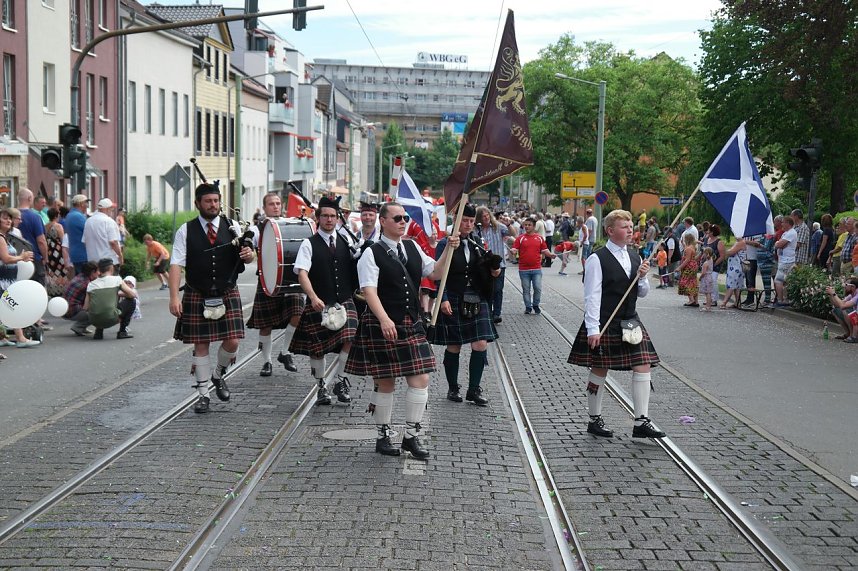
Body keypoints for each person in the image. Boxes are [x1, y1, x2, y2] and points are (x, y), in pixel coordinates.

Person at [345, 202, 458, 458]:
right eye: (397, 218)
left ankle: (411, 436)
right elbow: (368, 291)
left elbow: (436, 272)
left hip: (410, 322)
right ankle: (383, 436)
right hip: (382, 322)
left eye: (405, 217)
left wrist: (448, 251)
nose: (403, 222)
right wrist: (384, 319)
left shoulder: (412, 247)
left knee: (421, 379)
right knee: (385, 382)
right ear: (383, 221)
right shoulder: (371, 253)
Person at [567, 209, 664, 439]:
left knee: (643, 365)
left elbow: (642, 293)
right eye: (624, 227)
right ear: (610, 231)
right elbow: (592, 296)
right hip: (605, 321)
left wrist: (643, 277)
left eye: (631, 226)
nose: (630, 230)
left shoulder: (636, 257)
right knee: (600, 368)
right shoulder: (596, 259)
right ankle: (594, 419)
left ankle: (641, 421)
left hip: (630, 320)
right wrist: (593, 329)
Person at [169, 183, 255, 414]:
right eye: (208, 201)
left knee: (233, 341)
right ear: (197, 203)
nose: (213, 205)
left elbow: (248, 256)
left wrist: (249, 254)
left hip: (227, 291)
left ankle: (218, 374)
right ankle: (203, 395)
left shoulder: (233, 226)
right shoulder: (186, 230)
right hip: (197, 292)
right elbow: (176, 264)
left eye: (216, 201)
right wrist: (174, 297)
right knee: (201, 344)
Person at [290, 196, 359, 406]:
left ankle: (340, 380)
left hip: (344, 300)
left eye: (333, 216)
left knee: (351, 337)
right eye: (325, 216)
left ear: (338, 218)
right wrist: (312, 297)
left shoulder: (346, 241)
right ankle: (321, 386)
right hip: (319, 302)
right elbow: (302, 273)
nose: (329, 220)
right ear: (318, 218)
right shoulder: (308, 244)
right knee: (318, 349)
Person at [431, 203, 500, 406]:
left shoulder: (476, 242)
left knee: (480, 344)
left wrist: (494, 270)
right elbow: (438, 273)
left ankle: (473, 389)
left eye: (471, 221)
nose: (468, 224)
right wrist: (442, 298)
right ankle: (453, 387)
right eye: (465, 220)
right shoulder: (445, 244)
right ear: (456, 220)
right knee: (454, 345)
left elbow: (484, 271)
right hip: (453, 295)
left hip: (476, 296)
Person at [246, 192, 303, 378]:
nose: (276, 206)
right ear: (264, 208)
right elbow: (249, 248)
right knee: (266, 325)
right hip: (268, 281)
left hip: (290, 280)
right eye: (271, 204)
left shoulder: (290, 225)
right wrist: (248, 251)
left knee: (298, 315)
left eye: (278, 203)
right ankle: (267, 361)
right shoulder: (257, 229)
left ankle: (285, 352)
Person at [0, 208, 40, 348]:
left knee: (7, 308)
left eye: (10, 218)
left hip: (7, 279)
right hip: (3, 280)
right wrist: (21, 257)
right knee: (12, 308)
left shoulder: (4, 237)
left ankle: (3, 337)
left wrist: (20, 258)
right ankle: (21, 339)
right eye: (5, 218)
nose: (8, 221)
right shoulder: (0, 238)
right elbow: (5, 259)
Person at [475, 206, 516, 323]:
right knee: (486, 289)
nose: (486, 217)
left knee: (497, 289)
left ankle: (496, 313)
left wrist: (508, 224)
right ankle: (487, 311)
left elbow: (513, 233)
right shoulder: (476, 230)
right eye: (483, 216)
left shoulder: (498, 227)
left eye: (487, 215)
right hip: (483, 264)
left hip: (499, 264)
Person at [510, 217, 556, 314]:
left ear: (534, 226)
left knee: (537, 288)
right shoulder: (520, 238)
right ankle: (528, 307)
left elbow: (545, 250)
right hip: (523, 269)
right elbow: (515, 249)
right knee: (526, 289)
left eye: (529, 225)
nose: (526, 226)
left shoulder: (539, 238)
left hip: (536, 269)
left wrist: (550, 255)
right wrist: (513, 251)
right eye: (525, 225)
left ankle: (536, 305)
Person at [84, 258, 137, 340]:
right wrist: (118, 294)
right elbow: (133, 295)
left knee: (100, 304)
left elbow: (86, 307)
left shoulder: (91, 284)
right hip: (111, 319)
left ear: (99, 270)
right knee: (132, 301)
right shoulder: (117, 279)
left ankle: (98, 332)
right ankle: (122, 332)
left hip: (94, 320)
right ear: (111, 268)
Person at [16, 188, 48, 285]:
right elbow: (41, 241)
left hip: (14, 258)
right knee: (37, 287)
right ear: (30, 198)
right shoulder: (35, 217)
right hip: (33, 258)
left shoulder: (10, 216)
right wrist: (45, 257)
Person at [82, 198, 123, 271]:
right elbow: (113, 242)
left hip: (93, 262)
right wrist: (120, 256)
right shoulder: (109, 221)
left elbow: (85, 242)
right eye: (111, 209)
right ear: (107, 209)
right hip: (108, 262)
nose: (112, 211)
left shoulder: (88, 221)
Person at [63, 261, 98, 336]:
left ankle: (82, 327)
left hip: (65, 309)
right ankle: (78, 327)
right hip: (72, 311)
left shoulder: (79, 277)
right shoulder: (87, 284)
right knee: (98, 311)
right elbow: (92, 300)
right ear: (93, 272)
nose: (99, 273)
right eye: (98, 271)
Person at [773, 216, 798, 307]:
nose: (782, 224)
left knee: (778, 280)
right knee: (786, 280)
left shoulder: (791, 233)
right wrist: (778, 244)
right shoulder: (786, 233)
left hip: (786, 260)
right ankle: (786, 299)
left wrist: (777, 244)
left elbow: (779, 244)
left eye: (783, 222)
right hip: (783, 259)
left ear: (788, 223)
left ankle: (780, 300)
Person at [44, 207, 68, 297]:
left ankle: (52, 290)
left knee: (51, 270)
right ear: (56, 216)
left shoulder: (45, 226)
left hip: (49, 251)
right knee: (60, 270)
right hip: (58, 251)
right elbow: (63, 239)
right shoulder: (58, 226)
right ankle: (60, 290)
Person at [64, 194, 89, 276]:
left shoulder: (69, 215)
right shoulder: (78, 216)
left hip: (75, 253)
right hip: (82, 254)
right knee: (85, 279)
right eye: (86, 202)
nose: (87, 205)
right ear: (81, 204)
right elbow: (89, 232)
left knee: (80, 278)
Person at [826, 277, 858, 342]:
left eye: (846, 284)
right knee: (836, 310)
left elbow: (843, 306)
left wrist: (834, 294)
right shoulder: (852, 294)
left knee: (846, 311)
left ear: (853, 287)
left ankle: (854, 336)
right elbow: (837, 305)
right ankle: (848, 334)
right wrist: (830, 295)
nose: (844, 286)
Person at [721, 238, 747, 308]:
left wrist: (723, 249)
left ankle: (724, 302)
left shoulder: (740, 243)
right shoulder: (738, 242)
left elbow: (731, 252)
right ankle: (737, 302)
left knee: (731, 285)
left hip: (736, 267)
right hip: (735, 266)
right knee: (737, 286)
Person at [676, 233, 699, 307]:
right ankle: (696, 301)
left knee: (685, 282)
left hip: (689, 267)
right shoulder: (693, 247)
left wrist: (680, 267)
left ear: (687, 239)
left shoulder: (689, 249)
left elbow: (687, 259)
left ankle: (691, 300)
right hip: (693, 266)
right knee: (693, 282)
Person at [698, 247, 716, 311]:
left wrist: (700, 278)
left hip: (706, 278)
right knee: (709, 293)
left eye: (704, 253)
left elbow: (703, 273)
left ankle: (707, 307)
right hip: (710, 277)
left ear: (706, 254)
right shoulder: (711, 260)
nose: (703, 254)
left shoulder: (706, 263)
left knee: (707, 293)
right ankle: (709, 306)